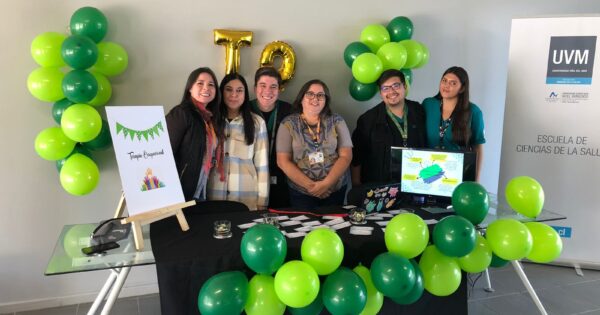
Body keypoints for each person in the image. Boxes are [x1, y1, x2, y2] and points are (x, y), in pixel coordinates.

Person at [276, 79, 353, 209]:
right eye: (310, 94)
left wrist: (326, 184)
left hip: (334, 190)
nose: (315, 99)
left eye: (320, 95)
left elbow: (346, 156)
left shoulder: (336, 120)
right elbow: (282, 161)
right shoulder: (288, 124)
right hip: (301, 193)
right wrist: (312, 187)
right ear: (301, 98)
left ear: (326, 100)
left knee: (333, 227)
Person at [351, 69, 427, 186]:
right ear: (381, 93)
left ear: (405, 87)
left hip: (416, 182)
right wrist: (356, 185)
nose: (391, 91)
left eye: (396, 86)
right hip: (380, 187)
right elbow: (357, 157)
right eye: (385, 88)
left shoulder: (419, 110)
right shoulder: (368, 119)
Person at [207, 73, 269, 210]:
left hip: (246, 197)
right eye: (228, 89)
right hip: (213, 195)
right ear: (221, 92)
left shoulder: (257, 123)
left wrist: (262, 201)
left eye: (239, 90)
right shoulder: (210, 120)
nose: (233, 94)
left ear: (245, 94)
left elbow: (262, 165)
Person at [166, 67, 220, 201]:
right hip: (179, 191)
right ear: (190, 88)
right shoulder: (181, 113)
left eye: (211, 85)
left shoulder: (209, 119)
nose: (206, 88)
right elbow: (165, 153)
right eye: (200, 83)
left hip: (199, 188)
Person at [422, 66, 485, 180]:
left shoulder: (473, 111)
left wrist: (476, 179)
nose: (446, 85)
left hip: (456, 172)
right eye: (444, 80)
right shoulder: (428, 104)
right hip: (429, 171)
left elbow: (478, 148)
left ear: (462, 88)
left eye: (453, 83)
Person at [250, 67, 292, 208]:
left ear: (279, 89)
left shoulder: (290, 111)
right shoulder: (245, 110)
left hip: (281, 179)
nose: (268, 91)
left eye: (273, 87)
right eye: (263, 86)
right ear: (255, 88)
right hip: (251, 179)